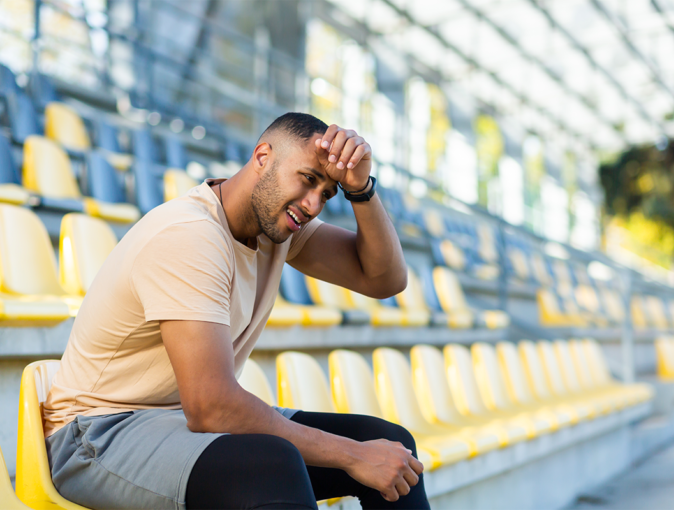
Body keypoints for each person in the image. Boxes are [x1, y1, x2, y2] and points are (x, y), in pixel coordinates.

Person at [43, 113, 430, 510]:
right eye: (309, 179)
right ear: (263, 156)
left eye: (328, 194)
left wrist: (361, 190)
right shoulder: (189, 234)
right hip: (97, 435)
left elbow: (384, 280)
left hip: (177, 422)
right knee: (272, 468)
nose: (314, 204)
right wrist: (352, 456)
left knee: (387, 444)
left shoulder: (277, 228)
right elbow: (211, 406)